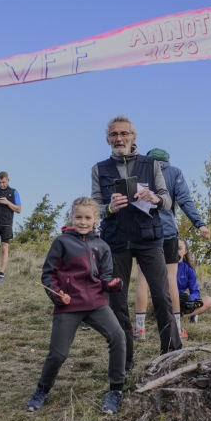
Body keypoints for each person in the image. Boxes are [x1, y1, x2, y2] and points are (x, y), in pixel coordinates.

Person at [91, 115, 181, 372]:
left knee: (162, 297)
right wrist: (109, 208)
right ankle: (124, 361)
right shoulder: (99, 169)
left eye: (124, 134)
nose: (119, 138)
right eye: (114, 135)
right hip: (116, 239)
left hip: (149, 237)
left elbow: (167, 201)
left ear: (133, 137)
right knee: (117, 302)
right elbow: (95, 206)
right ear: (107, 139)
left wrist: (153, 197)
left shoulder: (151, 164)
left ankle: (171, 356)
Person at [26, 197, 125, 414]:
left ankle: (116, 391)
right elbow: (48, 275)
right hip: (68, 304)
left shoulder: (103, 246)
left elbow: (105, 277)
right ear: (72, 218)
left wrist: (113, 285)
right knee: (58, 354)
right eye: (78, 217)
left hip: (96, 303)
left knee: (118, 336)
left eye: (87, 217)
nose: (83, 221)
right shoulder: (61, 242)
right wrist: (57, 296)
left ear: (95, 219)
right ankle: (43, 389)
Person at [134, 148, 211, 341]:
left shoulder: (139, 172)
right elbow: (185, 200)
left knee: (143, 279)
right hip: (167, 230)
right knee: (171, 279)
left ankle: (139, 329)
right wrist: (199, 224)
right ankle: (176, 327)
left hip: (143, 231)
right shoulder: (174, 172)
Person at [0, 171, 21, 282]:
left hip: (7, 224)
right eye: (0, 182)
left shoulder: (14, 192)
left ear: (8, 180)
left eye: (3, 182)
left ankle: (1, 273)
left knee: (4, 249)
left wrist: (7, 202)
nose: (2, 184)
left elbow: (19, 209)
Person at [177, 237, 211, 321]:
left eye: (179, 248)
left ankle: (183, 316)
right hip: (168, 300)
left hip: (183, 302)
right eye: (173, 248)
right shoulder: (164, 267)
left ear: (185, 251)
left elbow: (195, 292)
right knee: (152, 303)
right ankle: (173, 316)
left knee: (209, 300)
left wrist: (188, 299)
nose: (176, 251)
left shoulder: (189, 270)